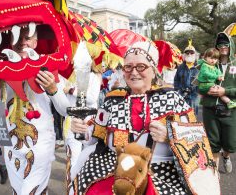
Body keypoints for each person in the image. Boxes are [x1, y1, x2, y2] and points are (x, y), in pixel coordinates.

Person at [70, 41, 198, 194]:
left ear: (154, 70)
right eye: (128, 67)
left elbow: (195, 143)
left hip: (160, 171)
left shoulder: (173, 100)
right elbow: (95, 138)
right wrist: (82, 129)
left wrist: (170, 136)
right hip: (114, 167)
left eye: (141, 66)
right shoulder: (112, 100)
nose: (134, 72)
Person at [4, 27, 70, 194]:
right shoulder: (0, 69)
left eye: (26, 38)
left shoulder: (47, 67)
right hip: (11, 147)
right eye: (17, 37)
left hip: (39, 146)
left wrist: (52, 88)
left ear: (35, 42)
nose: (21, 42)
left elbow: (65, 110)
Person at [201, 32, 236, 173]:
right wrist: (204, 90)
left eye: (226, 44)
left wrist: (225, 92)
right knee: (212, 142)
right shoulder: (209, 64)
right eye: (220, 44)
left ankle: (226, 156)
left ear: (231, 46)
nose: (223, 47)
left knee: (230, 143)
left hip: (231, 109)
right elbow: (198, 84)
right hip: (210, 108)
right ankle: (214, 173)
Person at [174, 40, 199, 115]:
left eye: (191, 53)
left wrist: (194, 89)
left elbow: (200, 80)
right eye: (187, 53)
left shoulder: (199, 67)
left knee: (193, 115)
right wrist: (177, 90)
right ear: (184, 55)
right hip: (182, 94)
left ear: (195, 54)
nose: (189, 54)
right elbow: (176, 80)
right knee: (182, 115)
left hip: (194, 95)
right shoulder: (180, 67)